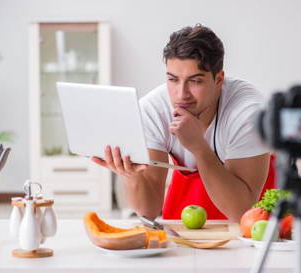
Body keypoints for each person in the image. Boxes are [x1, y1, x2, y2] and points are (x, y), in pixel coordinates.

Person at [91, 24, 272, 222]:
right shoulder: (152, 110)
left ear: (219, 80)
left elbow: (243, 210)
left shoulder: (248, 113)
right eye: (173, 79)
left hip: (255, 215)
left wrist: (199, 148)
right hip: (188, 209)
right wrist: (132, 177)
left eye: (195, 81)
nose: (181, 94)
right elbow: (149, 210)